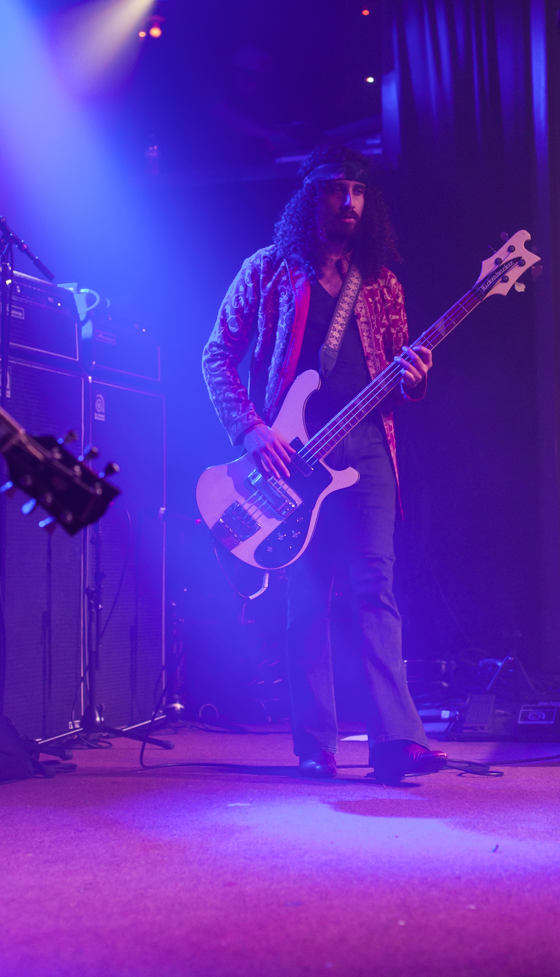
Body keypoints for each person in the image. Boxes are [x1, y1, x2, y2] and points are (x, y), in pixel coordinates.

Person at [202, 144, 447, 783]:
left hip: (367, 448)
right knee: (309, 598)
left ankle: (396, 742)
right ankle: (316, 745)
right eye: (336, 189)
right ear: (311, 198)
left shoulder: (383, 283)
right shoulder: (267, 270)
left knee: (375, 588)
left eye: (358, 191)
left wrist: (416, 378)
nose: (348, 202)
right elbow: (216, 355)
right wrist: (251, 430)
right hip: (291, 457)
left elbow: (401, 375)